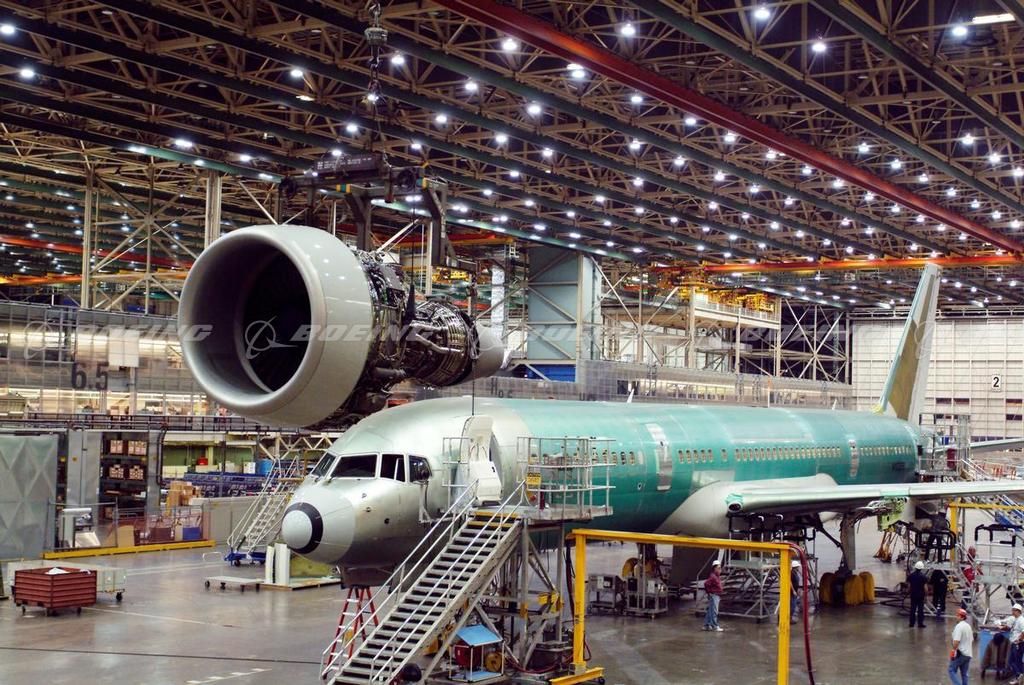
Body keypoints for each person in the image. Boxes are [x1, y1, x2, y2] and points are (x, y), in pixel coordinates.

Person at [949, 607, 974, 685]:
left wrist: (954, 650)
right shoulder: (968, 626)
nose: (956, 616)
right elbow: (972, 640)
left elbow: (956, 641)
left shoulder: (959, 627)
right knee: (964, 674)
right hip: (968, 654)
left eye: (958, 615)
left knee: (951, 670)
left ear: (962, 617)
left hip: (960, 653)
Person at [703, 559, 724, 632]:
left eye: (720, 568)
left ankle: (706, 625)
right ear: (714, 568)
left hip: (715, 595)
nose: (720, 570)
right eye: (719, 568)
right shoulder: (713, 577)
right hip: (714, 595)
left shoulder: (716, 576)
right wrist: (709, 592)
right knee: (714, 611)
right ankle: (715, 626)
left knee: (710, 611)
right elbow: (706, 584)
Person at [907, 560, 928, 628]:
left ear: (915, 567)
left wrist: (909, 592)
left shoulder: (911, 575)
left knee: (912, 609)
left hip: (913, 595)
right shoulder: (923, 577)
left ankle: (911, 623)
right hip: (920, 596)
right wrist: (926, 596)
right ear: (921, 568)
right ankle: (920, 624)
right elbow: (925, 588)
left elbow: (909, 586)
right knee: (920, 610)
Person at [1009, 604, 1024, 684]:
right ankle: (1019, 678)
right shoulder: (1016, 619)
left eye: (1014, 610)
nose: (1012, 612)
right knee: (1016, 661)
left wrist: (1019, 640)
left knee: (1013, 661)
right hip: (1015, 643)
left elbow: (1023, 631)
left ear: (1018, 611)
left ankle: (1019, 676)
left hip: (1018, 644)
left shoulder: (1021, 620)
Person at [790, 559, 803, 624]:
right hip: (792, 592)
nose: (798, 568)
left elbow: (796, 582)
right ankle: (789, 618)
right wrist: (793, 590)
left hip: (795, 591)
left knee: (794, 604)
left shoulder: (795, 573)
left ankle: (790, 618)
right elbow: (790, 582)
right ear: (795, 567)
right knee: (792, 605)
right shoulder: (791, 573)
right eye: (798, 567)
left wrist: (797, 590)